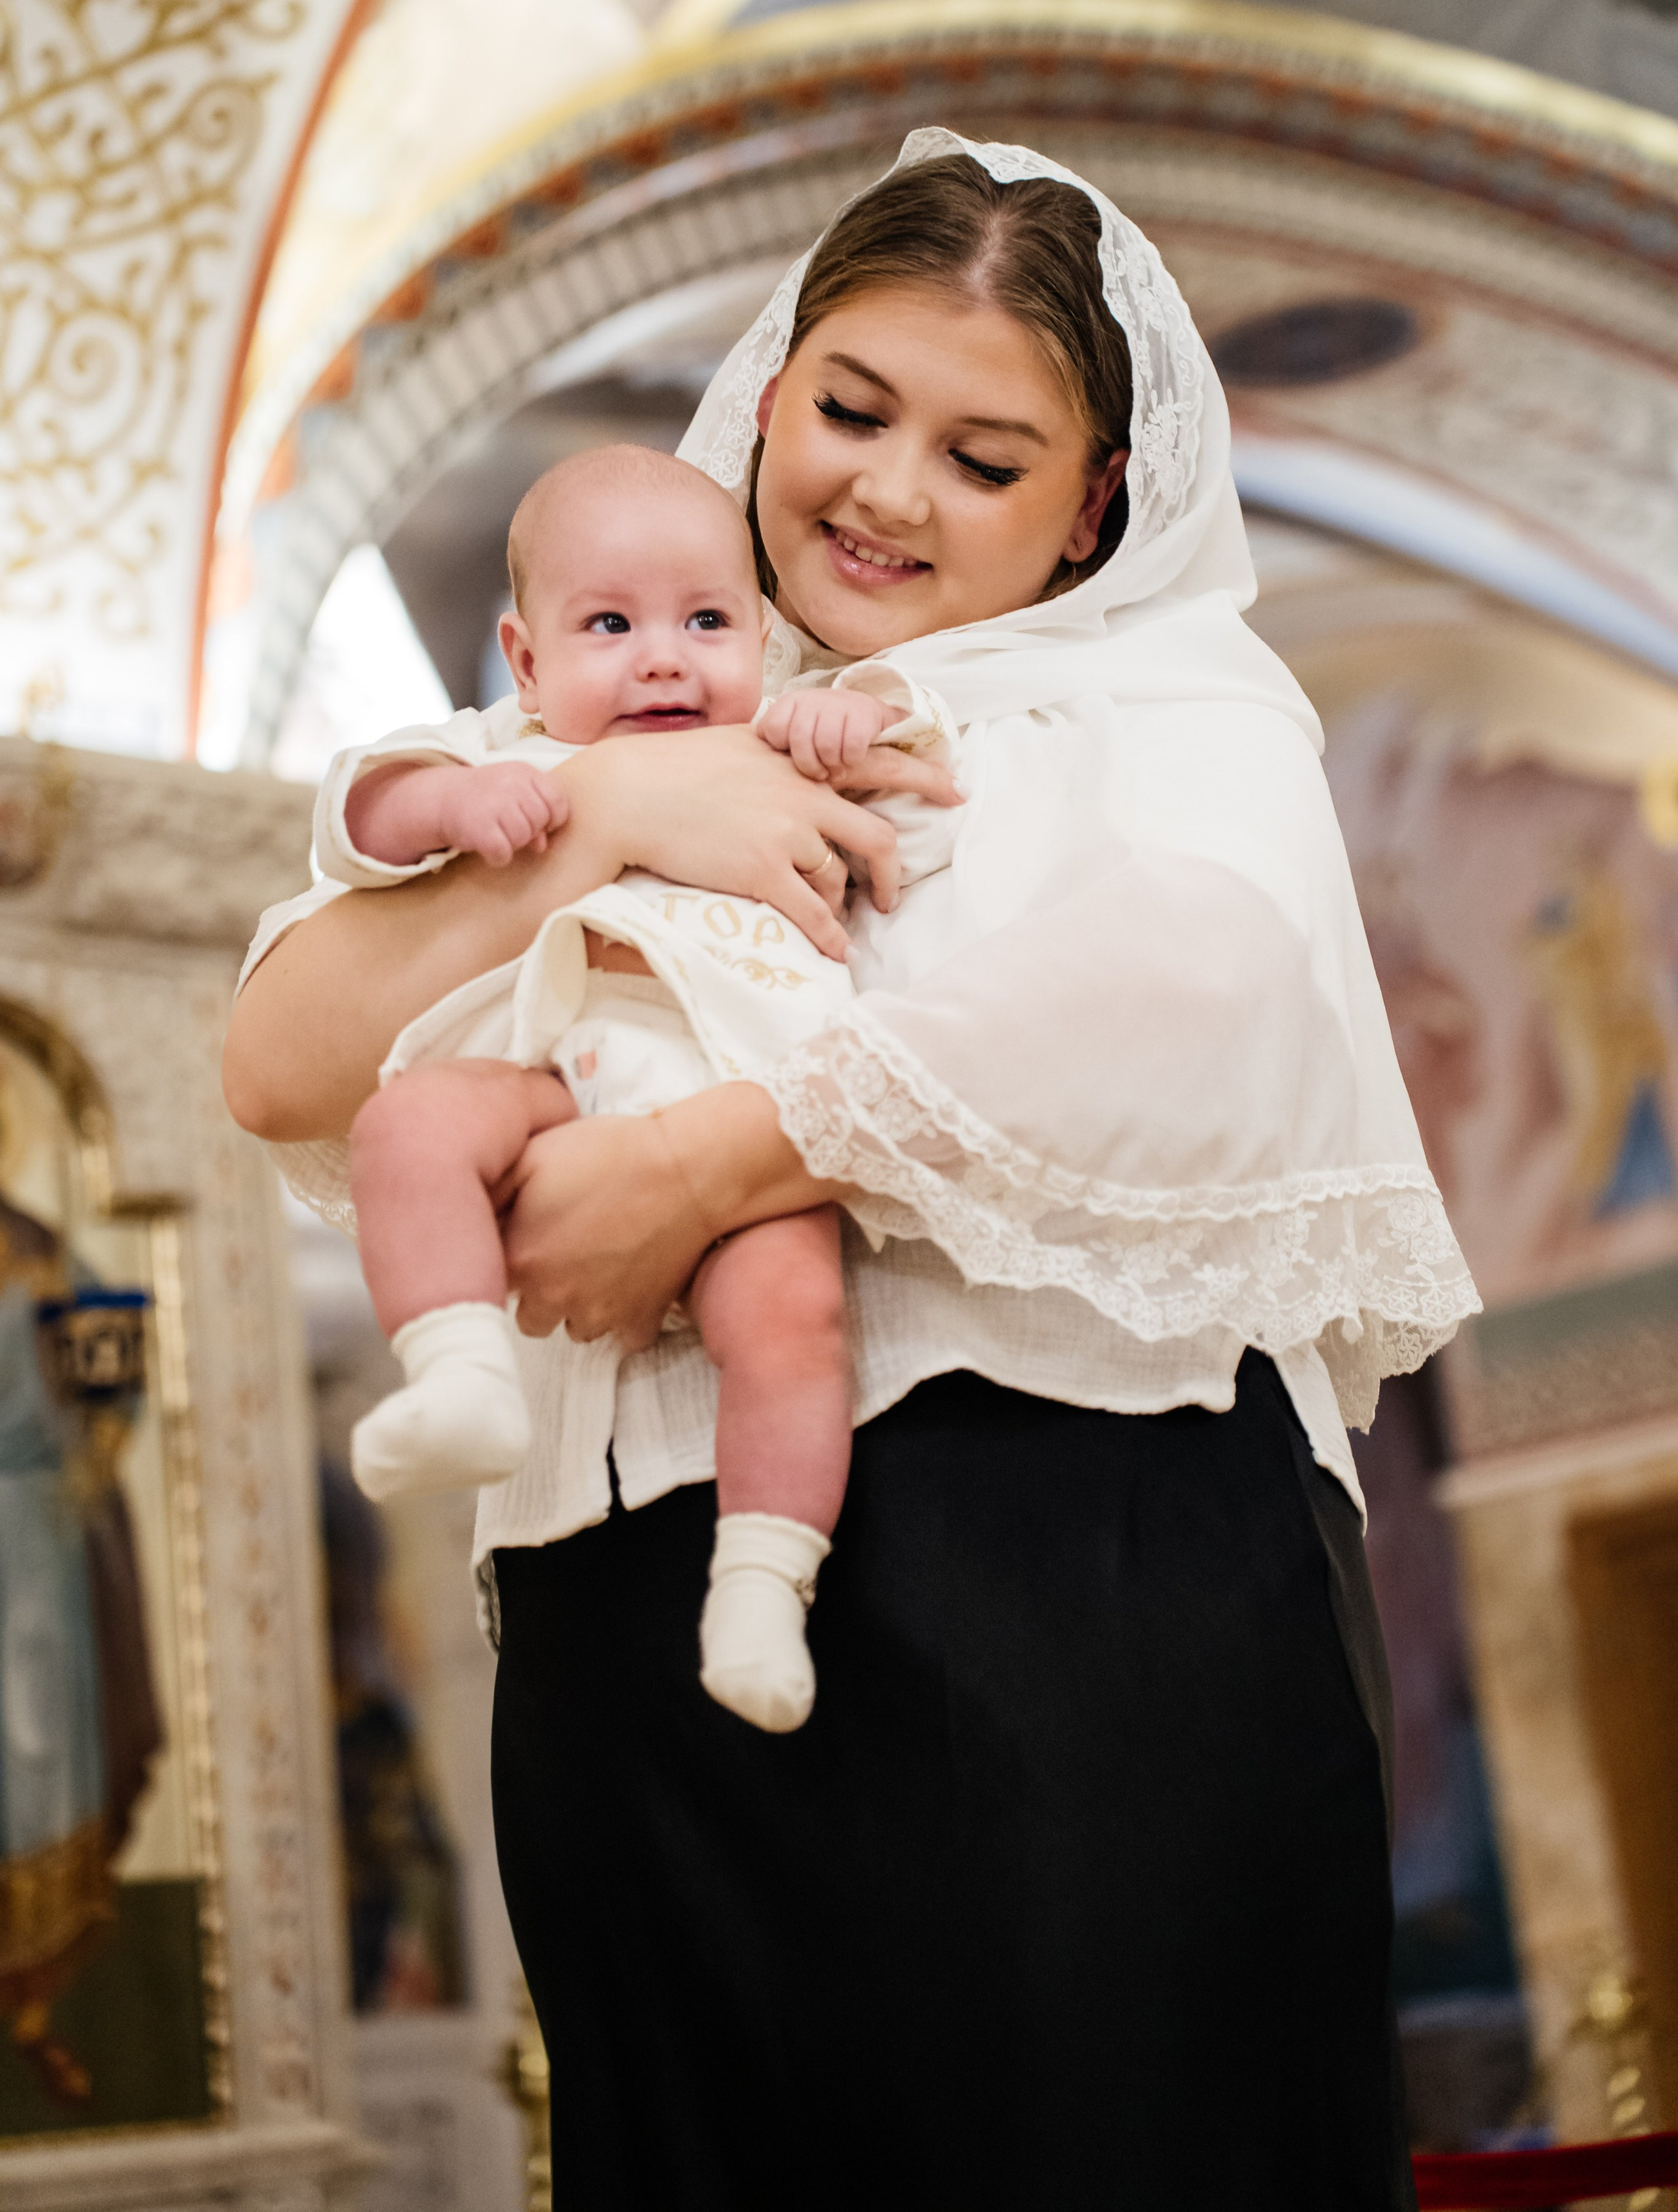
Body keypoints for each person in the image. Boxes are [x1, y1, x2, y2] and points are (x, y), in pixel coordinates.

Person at [225, 130, 1479, 2209]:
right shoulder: (622, 694)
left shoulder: (1158, 700)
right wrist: (630, 811)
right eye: (855, 408)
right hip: (622, 1610)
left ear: (1092, 504)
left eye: (987, 460)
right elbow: (277, 1059)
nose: (891, 492)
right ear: (772, 386)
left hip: (1061, 1575)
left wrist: (710, 1163)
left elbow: (1196, 990)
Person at [317, 443, 955, 1730]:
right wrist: (451, 797)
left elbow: (903, 749)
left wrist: (840, 721)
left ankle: (763, 1586)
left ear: (764, 638)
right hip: (552, 1077)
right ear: (528, 658)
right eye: (609, 624)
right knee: (411, 1126)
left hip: (739, 1109)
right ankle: (458, 1377)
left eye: (706, 621)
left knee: (792, 1325)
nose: (664, 657)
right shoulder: (517, 753)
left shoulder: (776, 748)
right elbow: (354, 813)